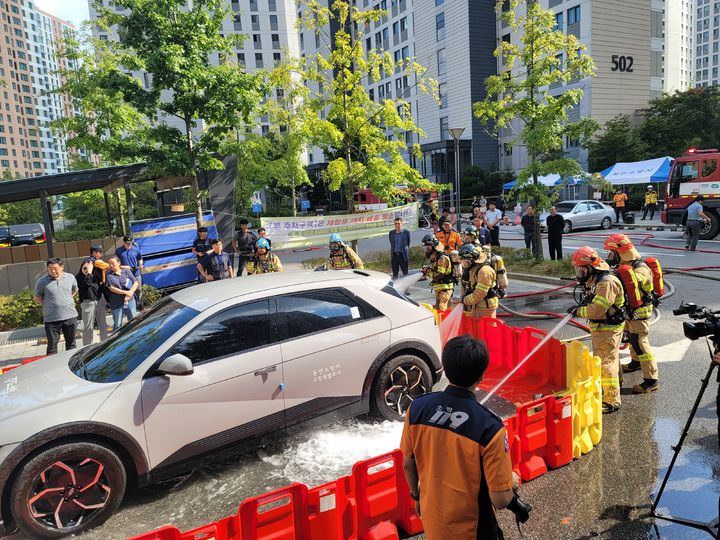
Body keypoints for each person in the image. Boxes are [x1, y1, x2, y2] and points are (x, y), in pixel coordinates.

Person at [400, 335, 519, 540]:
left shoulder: (417, 408)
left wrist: (416, 497)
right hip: (472, 530)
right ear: (481, 376)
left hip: (433, 520)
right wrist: (511, 481)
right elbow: (500, 499)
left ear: (445, 369)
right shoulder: (489, 427)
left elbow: (408, 464)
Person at [569, 246, 626, 413]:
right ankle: (617, 383)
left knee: (606, 363)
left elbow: (597, 310)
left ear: (590, 267)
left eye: (580, 270)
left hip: (608, 327)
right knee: (612, 357)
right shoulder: (597, 278)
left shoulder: (607, 283)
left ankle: (611, 401)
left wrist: (578, 311)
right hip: (603, 326)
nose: (578, 273)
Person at [604, 234, 659, 394]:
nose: (610, 256)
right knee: (630, 338)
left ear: (620, 252)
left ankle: (651, 380)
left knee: (640, 343)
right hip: (629, 311)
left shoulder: (640, 267)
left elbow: (637, 280)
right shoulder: (624, 264)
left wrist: (616, 277)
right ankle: (635, 362)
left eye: (611, 253)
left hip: (640, 313)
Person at [34, 258, 78, 355]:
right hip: (51, 318)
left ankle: (70, 365)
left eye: (55, 268)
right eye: (50, 269)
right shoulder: (42, 281)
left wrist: (66, 300)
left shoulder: (70, 277)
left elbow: (74, 290)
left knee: (71, 344)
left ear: (62, 267)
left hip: (70, 316)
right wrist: (50, 304)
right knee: (52, 345)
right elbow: (37, 298)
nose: (53, 271)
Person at [459, 243, 499, 318]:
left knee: (487, 329)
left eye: (466, 261)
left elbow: (480, 294)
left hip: (486, 307)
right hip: (478, 305)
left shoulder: (485, 271)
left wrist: (465, 300)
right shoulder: (474, 268)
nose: (464, 264)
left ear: (474, 259)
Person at [76, 258, 106, 346]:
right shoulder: (78, 277)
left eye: (88, 268)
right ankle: (87, 347)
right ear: (81, 267)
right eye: (84, 268)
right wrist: (88, 273)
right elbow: (87, 284)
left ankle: (105, 344)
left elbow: (99, 287)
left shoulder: (95, 275)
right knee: (88, 327)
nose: (86, 270)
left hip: (99, 301)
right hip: (87, 303)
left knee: (103, 325)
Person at [421, 234, 455, 311]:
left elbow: (440, 274)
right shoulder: (436, 256)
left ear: (433, 246)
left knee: (441, 308)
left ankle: (443, 322)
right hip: (441, 288)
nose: (426, 249)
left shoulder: (442, 258)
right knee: (447, 309)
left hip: (445, 288)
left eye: (428, 247)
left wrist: (428, 272)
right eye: (425, 247)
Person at [105, 255, 138, 331]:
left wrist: (130, 293)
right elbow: (111, 288)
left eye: (113, 263)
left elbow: (135, 282)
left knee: (134, 322)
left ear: (119, 262)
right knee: (117, 325)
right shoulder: (108, 275)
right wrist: (126, 292)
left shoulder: (126, 271)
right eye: (109, 263)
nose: (111, 265)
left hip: (129, 301)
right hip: (117, 303)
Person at [116, 235, 143, 307]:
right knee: (128, 290)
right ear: (124, 242)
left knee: (138, 289)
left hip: (136, 273)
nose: (129, 245)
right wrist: (124, 267)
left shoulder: (136, 249)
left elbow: (140, 259)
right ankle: (130, 305)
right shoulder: (118, 251)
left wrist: (140, 264)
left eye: (130, 243)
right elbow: (116, 264)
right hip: (125, 274)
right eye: (127, 243)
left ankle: (140, 305)